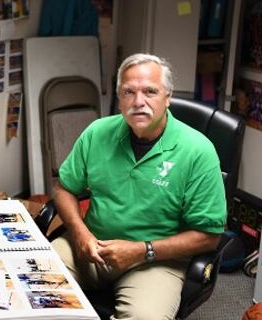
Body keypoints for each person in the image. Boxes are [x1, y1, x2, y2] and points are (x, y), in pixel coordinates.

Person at [52, 53, 227, 320]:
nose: (138, 102)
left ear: (168, 96)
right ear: (119, 98)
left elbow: (209, 235)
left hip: (155, 261)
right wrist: (80, 233)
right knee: (28, 278)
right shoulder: (97, 132)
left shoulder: (198, 151)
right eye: (128, 92)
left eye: (150, 91)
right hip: (92, 245)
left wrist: (141, 250)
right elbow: (64, 188)